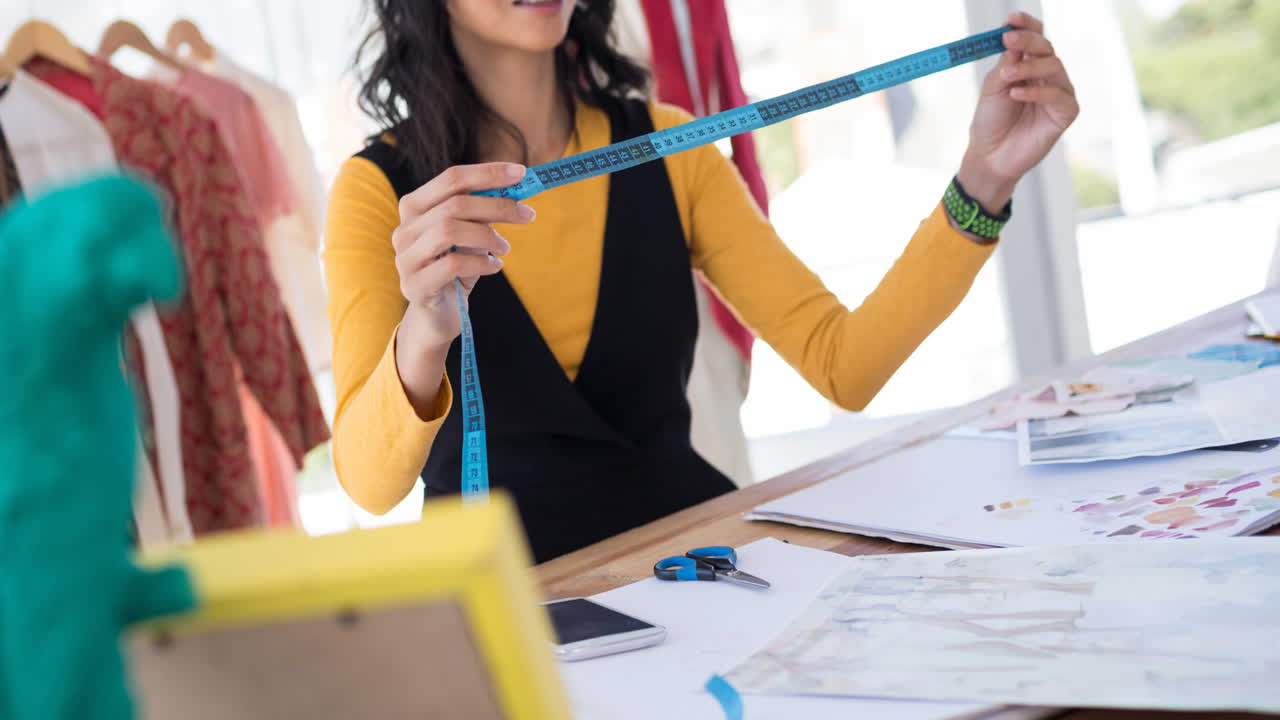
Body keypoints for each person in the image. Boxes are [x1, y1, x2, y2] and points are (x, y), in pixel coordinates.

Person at [325, 0, 1078, 562]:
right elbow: (368, 484)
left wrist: (983, 184)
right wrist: (424, 328)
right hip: (510, 607)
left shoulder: (667, 144)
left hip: (697, 566)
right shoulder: (379, 193)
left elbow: (843, 362)